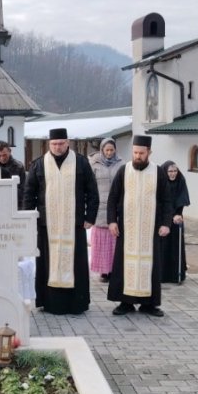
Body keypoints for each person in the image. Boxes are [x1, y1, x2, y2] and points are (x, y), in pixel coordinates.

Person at [23, 128, 99, 315]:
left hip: (75, 224)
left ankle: (77, 304)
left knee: (76, 265)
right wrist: (28, 218)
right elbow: (29, 194)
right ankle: (49, 303)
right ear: (49, 144)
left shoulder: (81, 162)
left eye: (61, 143)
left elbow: (92, 192)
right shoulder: (39, 165)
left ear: (68, 143)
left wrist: (90, 217)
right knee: (48, 264)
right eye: (54, 144)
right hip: (47, 225)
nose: (58, 147)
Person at [107, 135, 173, 317]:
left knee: (150, 265)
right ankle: (125, 303)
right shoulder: (124, 170)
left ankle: (149, 304)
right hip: (126, 229)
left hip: (150, 229)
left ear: (149, 152)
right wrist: (112, 221)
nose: (137, 156)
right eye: (135, 152)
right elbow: (112, 198)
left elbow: (167, 201)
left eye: (141, 153)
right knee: (124, 264)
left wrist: (166, 224)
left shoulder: (158, 172)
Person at [89, 138, 125, 283]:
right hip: (100, 206)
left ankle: (114, 270)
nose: (109, 153)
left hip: (116, 206)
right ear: (102, 150)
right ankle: (104, 271)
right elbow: (90, 186)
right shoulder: (95, 165)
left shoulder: (122, 164)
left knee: (114, 240)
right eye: (107, 150)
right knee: (101, 242)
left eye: (111, 150)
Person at [160, 161, 191, 284]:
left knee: (175, 245)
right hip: (163, 218)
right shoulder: (161, 183)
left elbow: (182, 198)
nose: (173, 174)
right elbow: (160, 201)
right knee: (164, 246)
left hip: (177, 218)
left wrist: (177, 214)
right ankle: (162, 274)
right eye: (170, 171)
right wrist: (170, 215)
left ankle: (176, 273)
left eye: (175, 171)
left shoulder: (180, 181)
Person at [0, 140, 26, 209]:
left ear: (10, 151)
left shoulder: (19, 166)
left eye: (4, 155)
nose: (2, 158)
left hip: (15, 204)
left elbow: (23, 189)